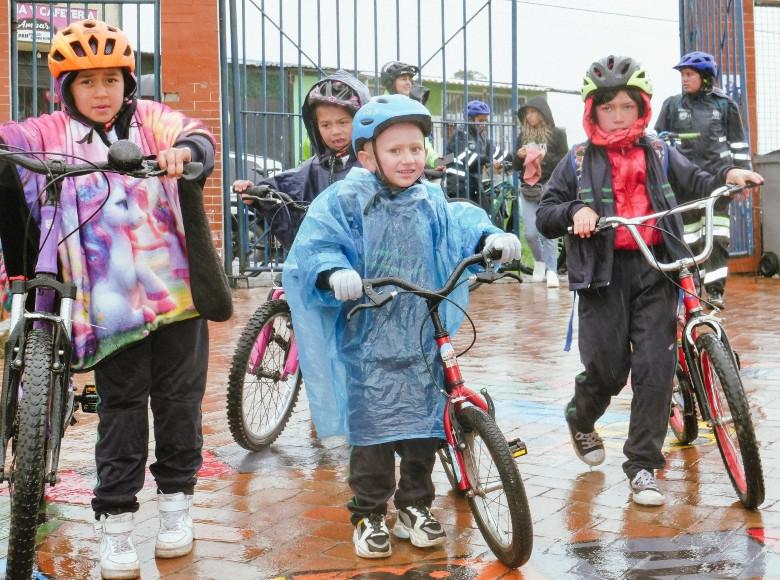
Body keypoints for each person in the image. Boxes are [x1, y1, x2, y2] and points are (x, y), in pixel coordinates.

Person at [0, 20, 219, 579]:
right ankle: (115, 520)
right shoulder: (50, 131)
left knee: (179, 406)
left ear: (128, 82)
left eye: (111, 80)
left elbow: (196, 135)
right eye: (86, 82)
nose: (101, 93)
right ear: (65, 88)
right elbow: (12, 141)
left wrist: (184, 152)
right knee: (121, 412)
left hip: (177, 298)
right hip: (111, 310)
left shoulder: (150, 123)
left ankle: (177, 504)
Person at [281, 94, 521, 558]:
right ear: (367, 154)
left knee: (423, 431)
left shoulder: (429, 198)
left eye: (416, 148)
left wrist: (492, 236)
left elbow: (459, 222)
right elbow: (319, 244)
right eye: (396, 151)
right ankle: (369, 512)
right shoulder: (347, 200)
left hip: (423, 332)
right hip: (368, 337)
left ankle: (415, 505)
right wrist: (335, 272)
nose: (409, 159)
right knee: (372, 433)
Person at [536, 55, 763, 507]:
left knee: (655, 371)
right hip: (602, 276)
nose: (618, 116)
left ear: (641, 106)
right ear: (592, 111)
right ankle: (581, 417)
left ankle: (642, 466)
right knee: (607, 370)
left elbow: (694, 179)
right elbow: (546, 212)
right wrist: (575, 211)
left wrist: (727, 176)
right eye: (608, 108)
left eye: (626, 106)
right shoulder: (580, 160)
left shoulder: (657, 150)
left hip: (657, 267)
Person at [654, 51, 752, 309]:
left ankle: (716, 291)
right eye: (682, 75)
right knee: (689, 238)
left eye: (689, 74)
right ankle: (693, 286)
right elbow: (658, 144)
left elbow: (739, 144)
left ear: (706, 77)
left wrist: (744, 178)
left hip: (718, 183)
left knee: (717, 236)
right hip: (683, 184)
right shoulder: (672, 105)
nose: (684, 80)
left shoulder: (725, 105)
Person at [232, 70, 370, 249]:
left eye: (343, 122)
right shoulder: (313, 168)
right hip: (325, 257)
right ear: (315, 127)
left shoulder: (376, 164)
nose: (335, 131)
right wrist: (256, 195)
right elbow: (283, 188)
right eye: (325, 125)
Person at [513, 97, 568, 287]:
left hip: (549, 187)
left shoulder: (557, 134)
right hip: (528, 188)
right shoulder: (522, 137)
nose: (530, 116)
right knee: (530, 232)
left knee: (548, 231)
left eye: (534, 112)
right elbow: (515, 165)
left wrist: (545, 155)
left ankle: (552, 271)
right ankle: (540, 262)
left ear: (543, 113)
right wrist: (519, 156)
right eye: (527, 113)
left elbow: (564, 160)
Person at [379, 60, 441, 169]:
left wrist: (436, 161)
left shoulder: (415, 108)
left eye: (410, 79)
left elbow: (422, 142)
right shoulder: (378, 107)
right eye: (403, 79)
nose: (409, 83)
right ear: (390, 83)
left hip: (411, 167)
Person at [445, 100, 505, 206]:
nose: (484, 124)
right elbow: (468, 158)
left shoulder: (481, 137)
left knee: (485, 215)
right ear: (470, 119)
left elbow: (496, 152)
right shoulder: (460, 135)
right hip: (459, 187)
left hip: (475, 185)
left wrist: (513, 158)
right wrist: (488, 160)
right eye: (480, 120)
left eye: (486, 120)